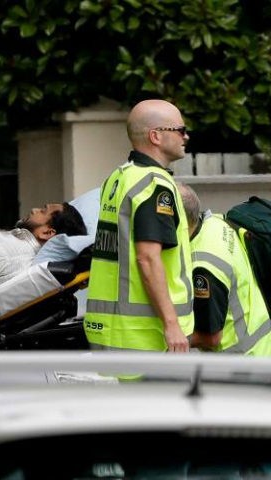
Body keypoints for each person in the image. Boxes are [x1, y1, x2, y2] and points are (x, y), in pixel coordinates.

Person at [84, 99, 194, 353]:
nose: (185, 137)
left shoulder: (119, 177)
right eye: (180, 130)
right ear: (156, 136)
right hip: (145, 335)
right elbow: (147, 259)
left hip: (112, 327)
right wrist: (172, 325)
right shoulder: (154, 185)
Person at [178, 182, 271, 355]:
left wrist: (170, 339)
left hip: (242, 362)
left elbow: (211, 338)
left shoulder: (203, 267)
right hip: (262, 348)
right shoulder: (214, 223)